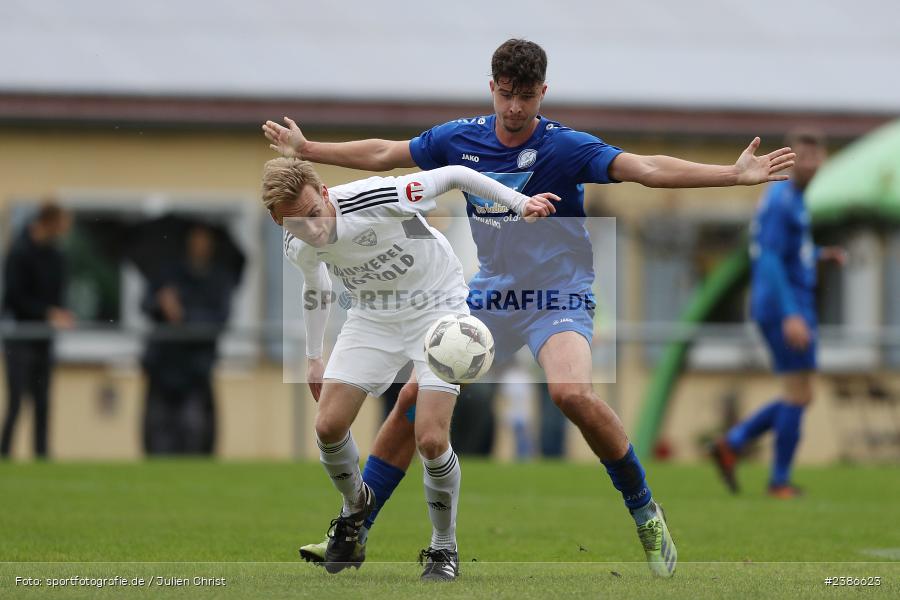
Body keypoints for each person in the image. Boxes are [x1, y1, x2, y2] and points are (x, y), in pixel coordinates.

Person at [265, 38, 794, 577]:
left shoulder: (567, 147)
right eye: (506, 95)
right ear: (491, 89)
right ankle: (356, 528)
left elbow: (646, 168)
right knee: (412, 402)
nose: (515, 107)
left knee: (570, 394)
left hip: (557, 292)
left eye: (526, 96)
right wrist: (309, 151)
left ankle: (644, 510)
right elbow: (384, 153)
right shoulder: (460, 139)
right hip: (491, 292)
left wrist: (732, 174)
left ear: (543, 92)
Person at [262, 156, 557, 580]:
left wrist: (519, 202)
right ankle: (355, 508)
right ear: (278, 223)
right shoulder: (297, 242)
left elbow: (456, 175)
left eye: (314, 213)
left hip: (438, 309)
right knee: (327, 425)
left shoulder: (377, 197)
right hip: (372, 317)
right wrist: (313, 357)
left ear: (325, 193)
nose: (312, 229)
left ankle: (443, 549)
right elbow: (317, 284)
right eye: (295, 223)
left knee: (432, 439)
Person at [711, 129, 845, 498]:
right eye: (802, 156)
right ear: (789, 158)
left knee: (799, 394)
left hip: (790, 304)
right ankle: (777, 480)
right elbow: (768, 259)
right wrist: (790, 314)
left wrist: (819, 255)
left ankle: (733, 444)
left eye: (816, 157)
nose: (810, 163)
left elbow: (788, 252)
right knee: (798, 393)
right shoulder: (782, 199)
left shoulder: (796, 199)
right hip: (784, 306)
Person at [141, 225, 236, 455]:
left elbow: (219, 320)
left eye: (203, 241)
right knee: (158, 432)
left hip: (196, 369)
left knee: (194, 432)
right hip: (162, 365)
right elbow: (144, 304)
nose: (199, 246)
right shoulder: (167, 273)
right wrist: (160, 304)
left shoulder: (219, 279)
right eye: (195, 240)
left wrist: (183, 316)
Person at [1, 202, 74, 459]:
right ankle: (5, 455)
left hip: (44, 339)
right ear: (50, 221)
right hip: (22, 338)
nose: (66, 229)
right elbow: (12, 298)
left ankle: (42, 456)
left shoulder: (57, 256)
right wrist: (46, 313)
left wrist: (61, 313)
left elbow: (58, 296)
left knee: (43, 403)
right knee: (16, 402)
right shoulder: (20, 252)